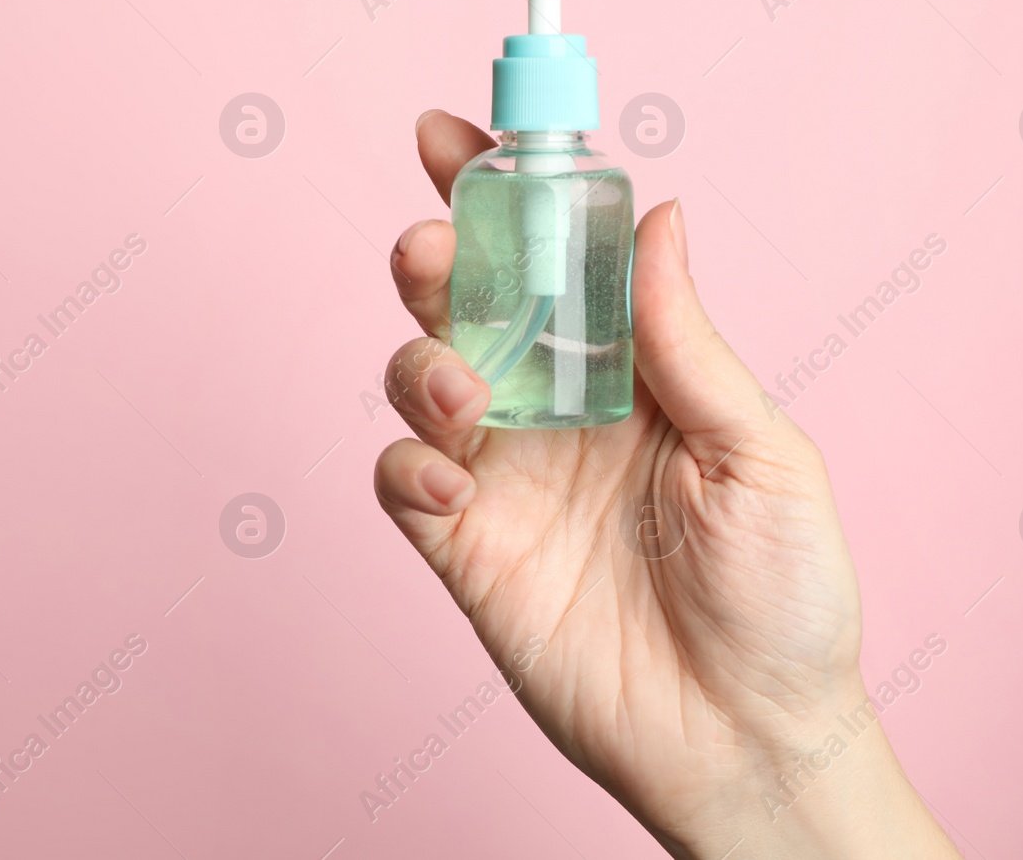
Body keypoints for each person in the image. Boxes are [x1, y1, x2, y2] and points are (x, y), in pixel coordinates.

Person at [372, 110, 962, 859]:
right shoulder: (499, 185)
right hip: (557, 517)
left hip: (675, 591)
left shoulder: (597, 185)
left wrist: (778, 735)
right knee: (444, 320)